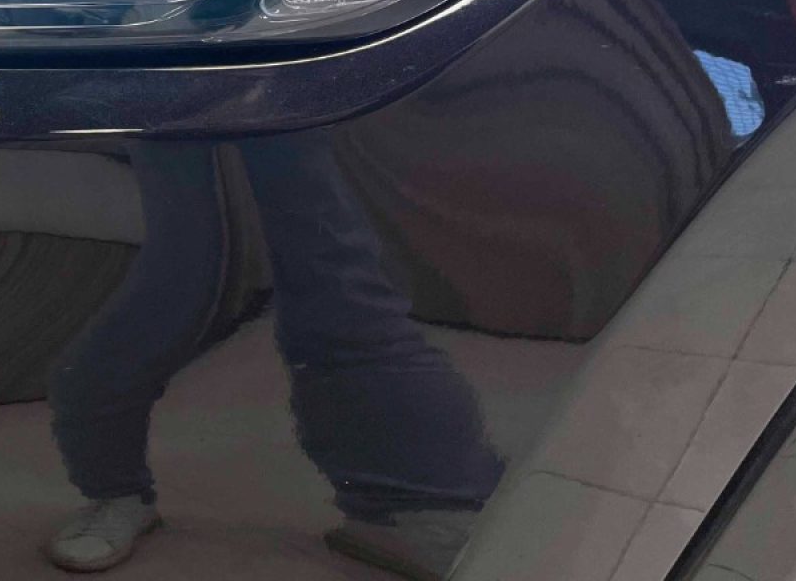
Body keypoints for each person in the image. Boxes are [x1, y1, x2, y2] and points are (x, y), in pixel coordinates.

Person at [45, 134, 504, 578]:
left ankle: (417, 505)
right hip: (166, 93)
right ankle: (112, 490)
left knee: (331, 265)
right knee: (190, 276)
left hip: (278, 93)